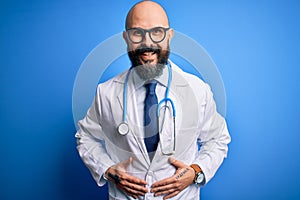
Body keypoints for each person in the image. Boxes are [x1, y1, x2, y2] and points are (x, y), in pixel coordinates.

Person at [75, 1, 231, 199]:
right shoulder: (106, 93)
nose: (147, 44)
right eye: (137, 33)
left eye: (157, 32)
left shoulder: (197, 90)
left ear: (170, 35)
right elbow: (85, 137)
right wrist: (107, 169)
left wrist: (196, 172)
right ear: (126, 38)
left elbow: (218, 139)